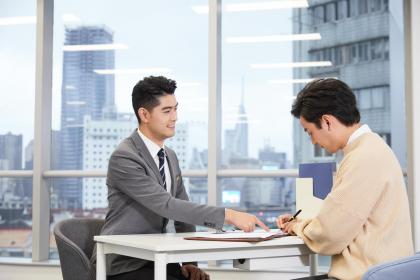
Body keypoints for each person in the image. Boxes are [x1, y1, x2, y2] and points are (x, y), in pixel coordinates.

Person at [96, 76, 269, 280]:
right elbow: (167, 206)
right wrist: (229, 215)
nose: (175, 117)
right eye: (167, 111)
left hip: (160, 258)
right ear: (144, 114)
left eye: (176, 109)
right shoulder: (125, 157)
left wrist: (189, 263)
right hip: (126, 263)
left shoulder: (169, 156)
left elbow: (182, 211)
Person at [277, 78, 413, 280]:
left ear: (327, 121)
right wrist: (301, 222)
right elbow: (343, 220)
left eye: (310, 132)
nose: (313, 141)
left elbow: (331, 235)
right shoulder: (371, 148)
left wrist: (297, 226)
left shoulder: (363, 157)